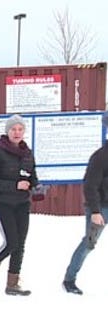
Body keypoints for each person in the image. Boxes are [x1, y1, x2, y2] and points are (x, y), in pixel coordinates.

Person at [0, 115, 38, 296]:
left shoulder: (27, 153)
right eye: (13, 129)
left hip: (22, 203)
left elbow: (32, 176)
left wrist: (37, 187)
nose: (17, 132)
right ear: (7, 132)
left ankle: (12, 283)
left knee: (20, 244)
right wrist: (14, 185)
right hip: (2, 203)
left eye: (20, 129)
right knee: (11, 241)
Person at [62, 111, 108, 295]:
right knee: (89, 243)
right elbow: (90, 186)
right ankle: (69, 279)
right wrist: (96, 212)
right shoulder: (100, 157)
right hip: (100, 207)